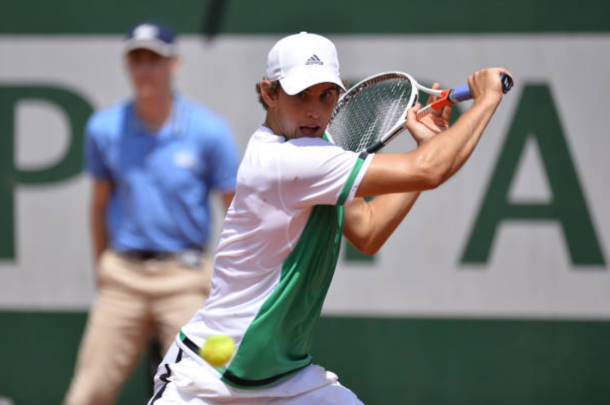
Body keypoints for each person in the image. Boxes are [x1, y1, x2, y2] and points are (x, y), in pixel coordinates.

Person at [148, 32, 513, 405]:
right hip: (208, 377)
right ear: (269, 93)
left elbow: (368, 231)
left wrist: (426, 144)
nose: (315, 110)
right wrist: (486, 100)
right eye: (300, 95)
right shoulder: (286, 163)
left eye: (326, 95)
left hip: (288, 380)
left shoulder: (316, 154)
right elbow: (431, 170)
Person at [63, 20, 240, 405]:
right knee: (86, 395)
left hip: (186, 278)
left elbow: (237, 214)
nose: (145, 69)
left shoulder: (209, 132)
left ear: (174, 64)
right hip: (122, 278)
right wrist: (106, 268)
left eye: (154, 60)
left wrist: (226, 285)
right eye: (137, 59)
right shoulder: (104, 129)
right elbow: (98, 206)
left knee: (203, 394)